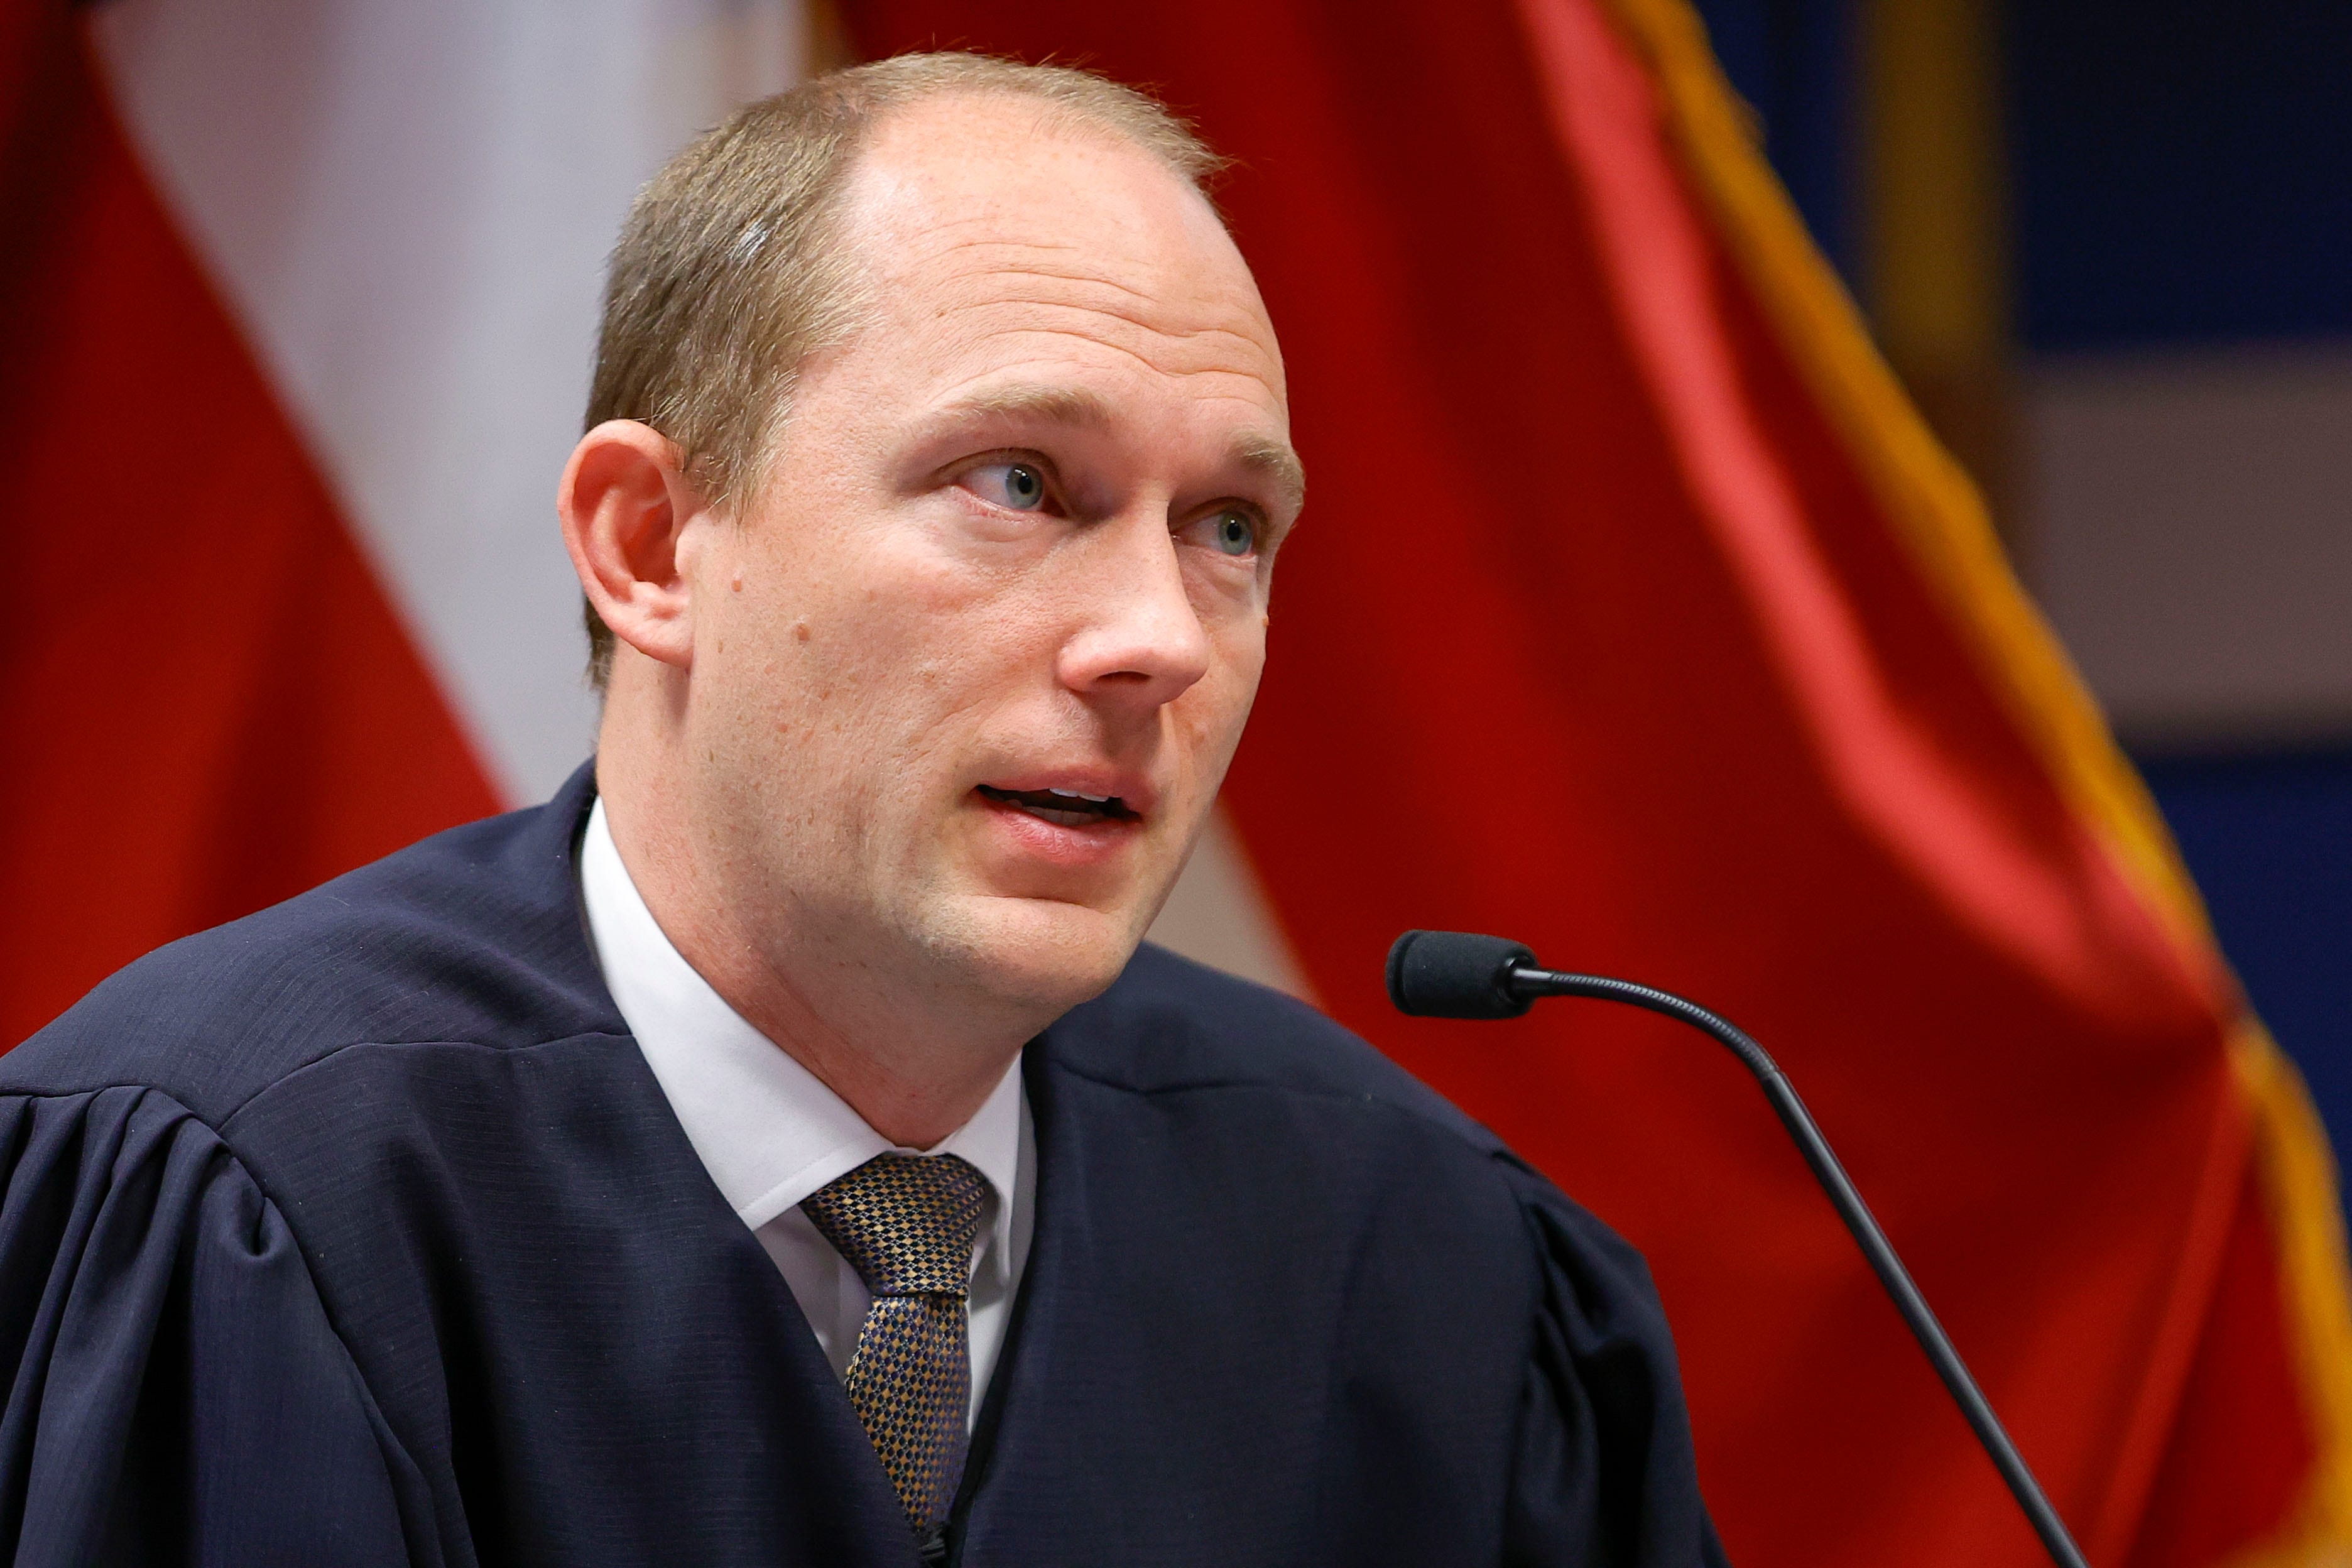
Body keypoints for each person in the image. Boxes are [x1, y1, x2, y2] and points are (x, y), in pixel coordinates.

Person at [0, 53, 1724, 1567]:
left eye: (1228, 529)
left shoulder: (1415, 1256)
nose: (1157, 643)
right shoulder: (247, 1201)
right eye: (1020, 483)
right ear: (651, 546)